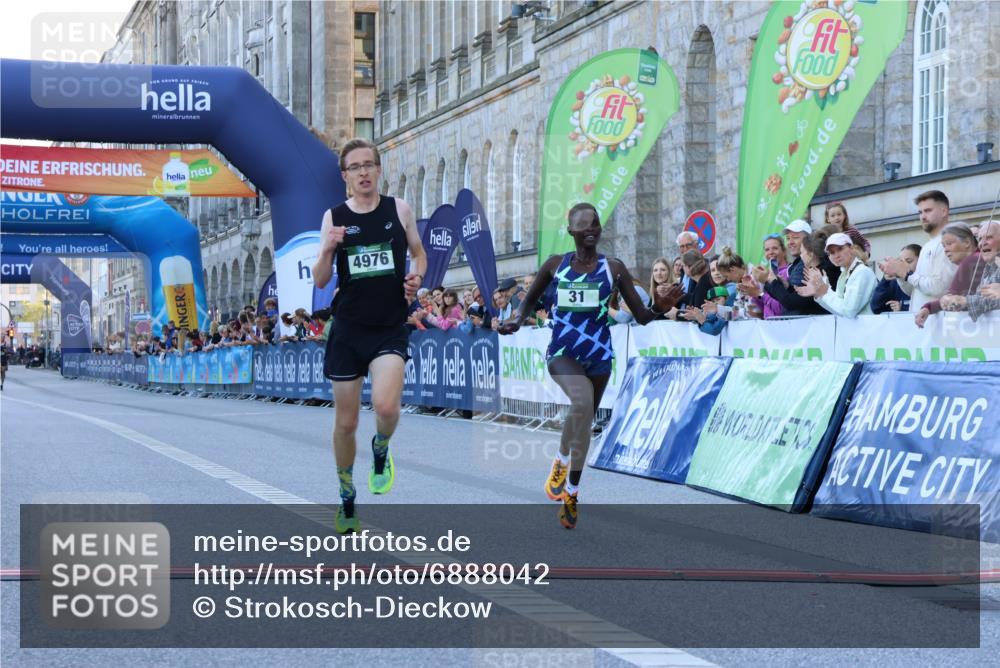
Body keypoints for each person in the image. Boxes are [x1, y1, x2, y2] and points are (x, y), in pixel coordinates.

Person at [498, 203, 684, 529]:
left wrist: (659, 306)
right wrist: (515, 321)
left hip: (599, 356)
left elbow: (641, 316)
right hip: (563, 353)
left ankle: (572, 491)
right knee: (581, 402)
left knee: (584, 420)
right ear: (571, 231)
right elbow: (528, 302)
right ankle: (560, 458)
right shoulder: (555, 266)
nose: (590, 231)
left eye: (595, 225)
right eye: (583, 226)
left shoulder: (614, 268)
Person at [312, 137, 427, 534]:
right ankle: (346, 497)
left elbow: (419, 253)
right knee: (345, 424)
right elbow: (322, 279)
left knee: (386, 408)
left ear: (379, 170)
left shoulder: (400, 209)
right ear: (345, 176)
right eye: (355, 167)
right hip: (348, 331)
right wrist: (327, 249)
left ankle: (381, 449)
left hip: (389, 327)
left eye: (369, 165)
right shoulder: (335, 217)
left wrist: (417, 278)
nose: (363, 172)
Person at [879, 190, 957, 314]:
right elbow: (913, 291)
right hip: (922, 322)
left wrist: (907, 274)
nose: (923, 216)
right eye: (920, 212)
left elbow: (939, 288)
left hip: (939, 323)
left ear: (944, 211)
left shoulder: (950, 241)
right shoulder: (927, 246)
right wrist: (899, 273)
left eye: (928, 211)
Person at [919, 221, 999, 325]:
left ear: (966, 243)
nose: (945, 250)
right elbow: (981, 299)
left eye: (949, 244)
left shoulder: (973, 259)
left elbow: (954, 298)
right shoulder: (990, 264)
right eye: (980, 238)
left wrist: (908, 276)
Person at [795, 233, 876, 318]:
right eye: (832, 252)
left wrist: (824, 292)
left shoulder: (861, 272)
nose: (836, 255)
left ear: (851, 248)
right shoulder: (845, 273)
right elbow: (838, 310)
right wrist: (819, 293)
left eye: (840, 249)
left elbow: (849, 311)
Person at [871, 244, 920, 313]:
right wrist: (885, 280)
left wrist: (902, 308)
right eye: (901, 262)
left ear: (921, 261)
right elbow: (876, 307)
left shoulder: (924, 280)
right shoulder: (895, 281)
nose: (904, 265)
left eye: (909, 261)